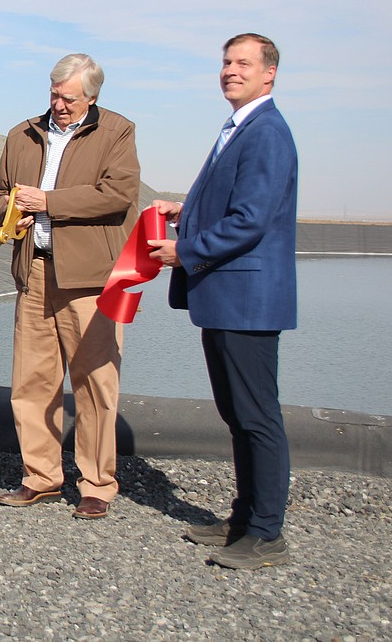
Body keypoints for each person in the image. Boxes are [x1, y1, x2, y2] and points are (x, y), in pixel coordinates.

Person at [149, 34, 298, 569]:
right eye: (226, 62)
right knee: (237, 415)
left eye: (243, 63)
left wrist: (183, 250)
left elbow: (250, 220)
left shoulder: (267, 132)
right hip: (230, 297)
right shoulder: (241, 128)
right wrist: (185, 209)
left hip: (249, 300)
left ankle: (267, 534)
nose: (231, 71)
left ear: (269, 74)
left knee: (257, 416)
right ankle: (243, 520)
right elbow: (231, 203)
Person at [0, 54, 140, 520]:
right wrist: (10, 211)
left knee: (95, 382)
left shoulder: (117, 132)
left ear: (92, 97)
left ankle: (96, 484)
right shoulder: (22, 133)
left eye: (69, 98)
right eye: (54, 94)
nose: (59, 104)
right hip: (33, 270)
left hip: (90, 277)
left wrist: (48, 202)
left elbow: (118, 194)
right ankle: (41, 478)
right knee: (32, 379)